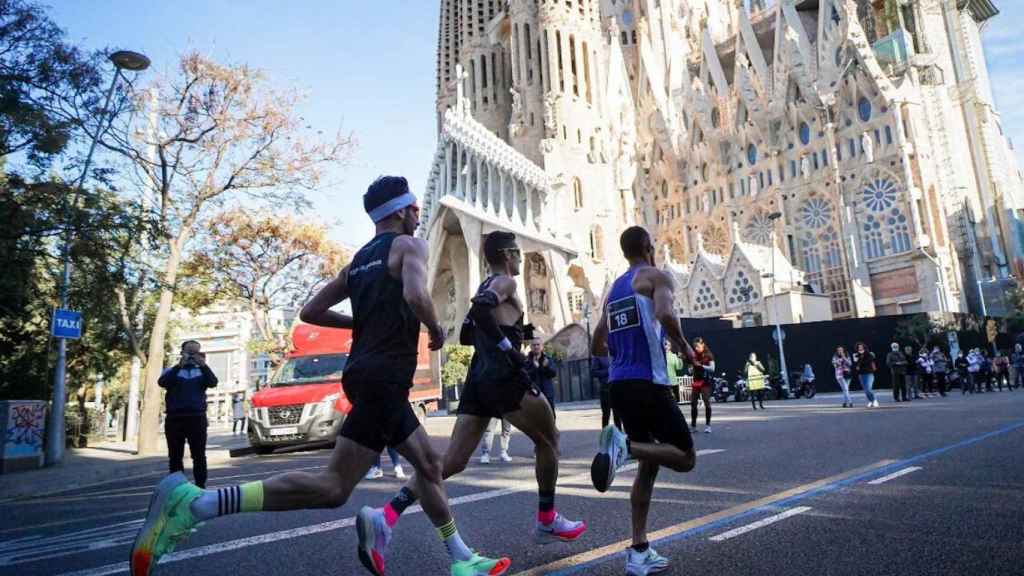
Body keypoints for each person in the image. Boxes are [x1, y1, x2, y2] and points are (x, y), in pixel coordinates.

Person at [130, 176, 510, 576]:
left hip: (367, 374)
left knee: (430, 465)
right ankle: (197, 503)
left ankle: (461, 557)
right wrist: (433, 328)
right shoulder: (409, 245)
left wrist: (359, 322)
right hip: (383, 377)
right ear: (399, 211)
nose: (419, 213)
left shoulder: (358, 263)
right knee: (333, 488)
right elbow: (417, 295)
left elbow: (310, 311)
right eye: (414, 207)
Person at [373, 231, 586, 553]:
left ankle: (387, 513)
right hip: (503, 377)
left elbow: (467, 333)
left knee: (454, 461)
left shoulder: (485, 284)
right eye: (517, 252)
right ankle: (546, 519)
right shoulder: (505, 283)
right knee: (550, 439)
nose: (520, 258)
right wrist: (508, 348)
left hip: (478, 379)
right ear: (506, 254)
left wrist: (508, 335)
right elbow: (482, 309)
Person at [589, 226, 697, 576]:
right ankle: (624, 448)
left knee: (649, 468)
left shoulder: (614, 290)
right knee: (684, 457)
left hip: (620, 384)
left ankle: (639, 550)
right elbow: (666, 314)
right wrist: (680, 344)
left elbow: (596, 344)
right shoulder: (657, 277)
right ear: (650, 248)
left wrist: (624, 349)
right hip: (648, 382)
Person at [157, 341, 218, 489]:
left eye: (195, 353)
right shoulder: (171, 371)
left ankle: (200, 486)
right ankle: (178, 488)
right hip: (174, 419)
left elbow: (213, 382)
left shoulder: (202, 371)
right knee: (175, 456)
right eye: (189, 353)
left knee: (199, 455)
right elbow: (162, 382)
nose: (192, 357)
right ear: (181, 353)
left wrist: (203, 365)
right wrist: (179, 365)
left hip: (197, 418)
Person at [689, 337, 715, 433]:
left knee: (706, 402)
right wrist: (691, 369)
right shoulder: (694, 355)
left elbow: (712, 368)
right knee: (693, 403)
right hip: (696, 381)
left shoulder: (708, 355)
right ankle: (693, 426)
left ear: (703, 345)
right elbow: (691, 367)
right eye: (695, 347)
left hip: (705, 382)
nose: (696, 348)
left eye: (698, 346)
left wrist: (702, 366)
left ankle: (708, 425)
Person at [527, 340, 558, 416]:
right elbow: (525, 376)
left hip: (547, 393)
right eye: (534, 345)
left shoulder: (548, 360)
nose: (536, 347)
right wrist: (534, 368)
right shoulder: (526, 361)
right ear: (531, 347)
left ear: (542, 346)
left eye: (538, 344)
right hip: (533, 395)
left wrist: (546, 367)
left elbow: (553, 374)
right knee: (534, 417)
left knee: (550, 416)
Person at [592, 355, 621, 429]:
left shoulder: (614, 352)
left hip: (616, 387)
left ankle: (619, 438)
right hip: (605, 390)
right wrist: (608, 371)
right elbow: (594, 372)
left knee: (618, 416)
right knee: (606, 415)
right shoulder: (598, 356)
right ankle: (605, 438)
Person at [852, 342, 879, 408]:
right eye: (858, 347)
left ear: (864, 347)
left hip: (869, 373)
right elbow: (855, 364)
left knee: (868, 389)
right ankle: (870, 401)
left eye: (861, 346)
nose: (860, 348)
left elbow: (868, 361)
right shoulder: (856, 355)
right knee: (865, 389)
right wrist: (857, 362)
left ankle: (874, 401)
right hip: (861, 374)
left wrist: (860, 360)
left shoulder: (868, 354)